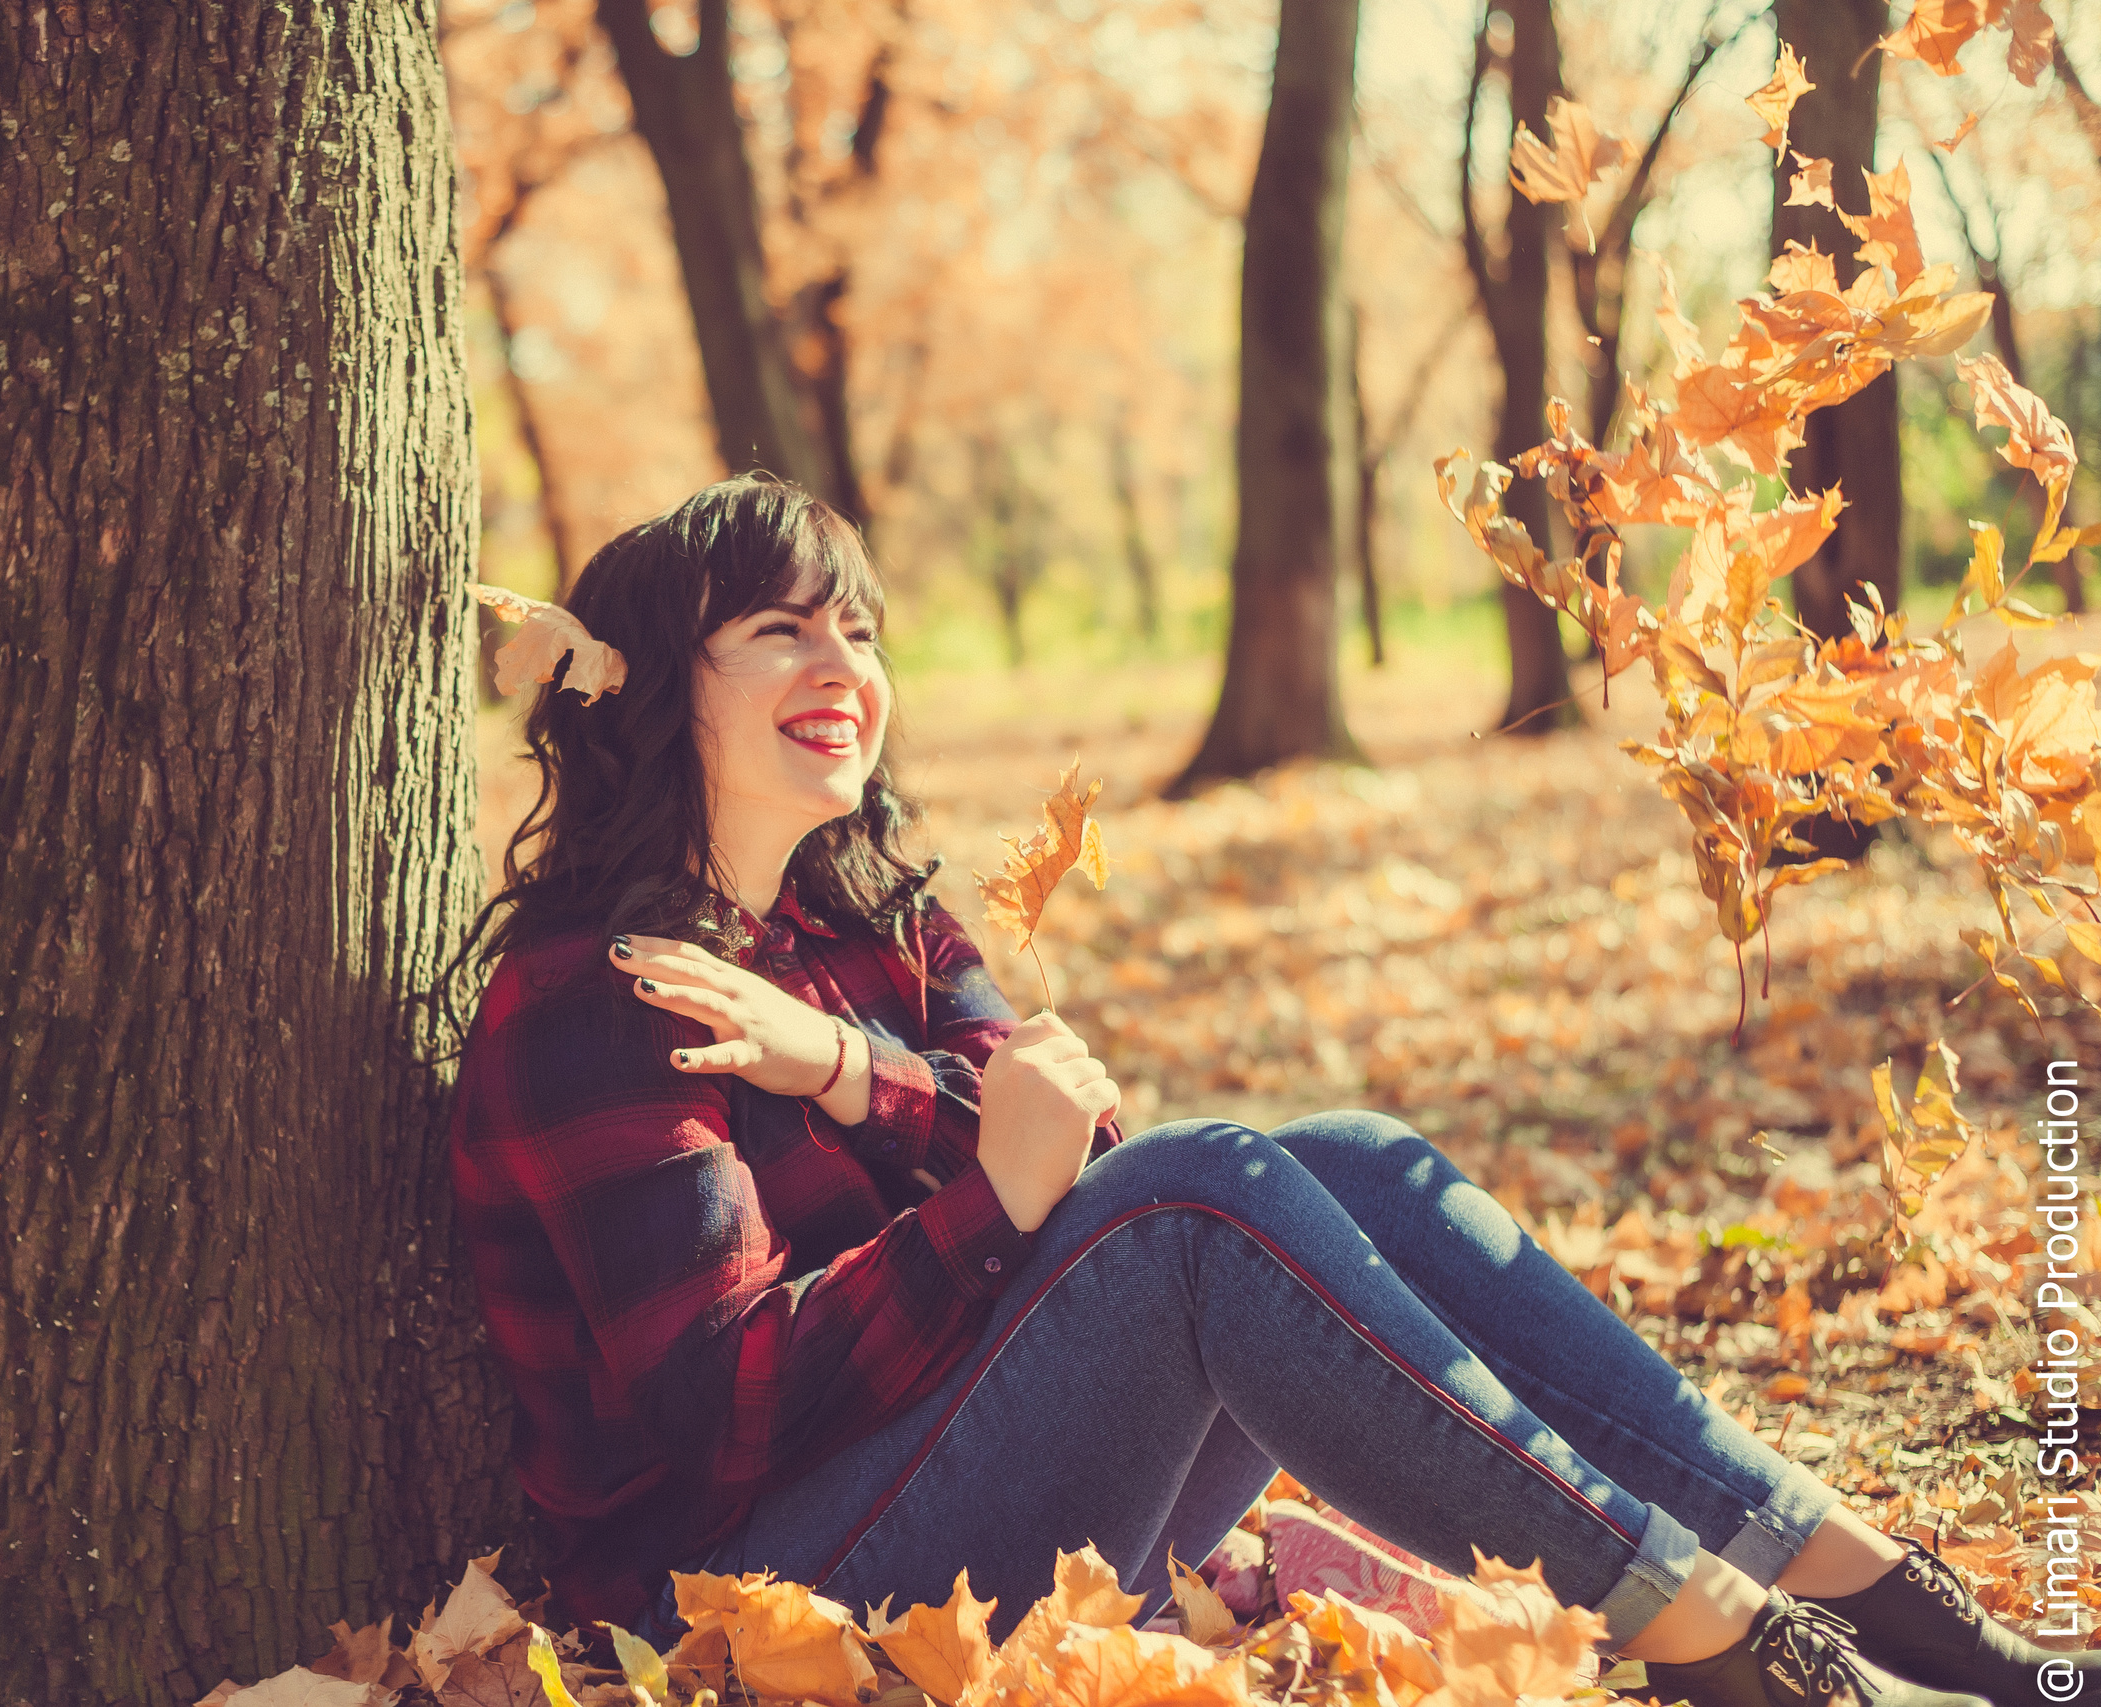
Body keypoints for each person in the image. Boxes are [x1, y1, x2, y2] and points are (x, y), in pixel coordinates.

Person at [446, 477, 2086, 1707]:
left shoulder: (879, 915)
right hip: (750, 1613)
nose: (844, 664)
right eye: (781, 629)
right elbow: (725, 1417)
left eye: (859, 626)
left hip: (955, 1480)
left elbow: (1062, 1139)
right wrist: (979, 1202)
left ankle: (1873, 1591)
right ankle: (1720, 1647)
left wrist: (850, 1074)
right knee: (1195, 1199)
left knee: (1343, 1159)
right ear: (666, 690)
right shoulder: (599, 1003)